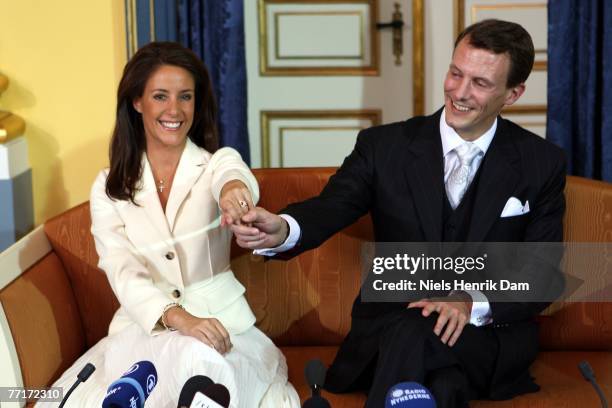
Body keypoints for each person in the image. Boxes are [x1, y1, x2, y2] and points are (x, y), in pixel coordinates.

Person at [231, 20, 566, 407]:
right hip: (390, 330)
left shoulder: (540, 163)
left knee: (417, 333)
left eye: (480, 83)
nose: (459, 92)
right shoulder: (384, 147)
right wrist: (283, 229)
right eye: (456, 73)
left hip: (483, 338)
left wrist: (470, 302)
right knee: (440, 384)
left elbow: (543, 274)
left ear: (513, 94)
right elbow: (333, 204)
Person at [46, 42, 299, 408]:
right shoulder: (107, 187)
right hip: (145, 327)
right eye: (160, 96)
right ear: (137, 102)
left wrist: (234, 193)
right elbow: (122, 270)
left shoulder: (216, 164)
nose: (174, 110)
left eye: (185, 97)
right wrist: (179, 319)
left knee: (215, 380)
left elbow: (233, 175)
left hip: (222, 324)